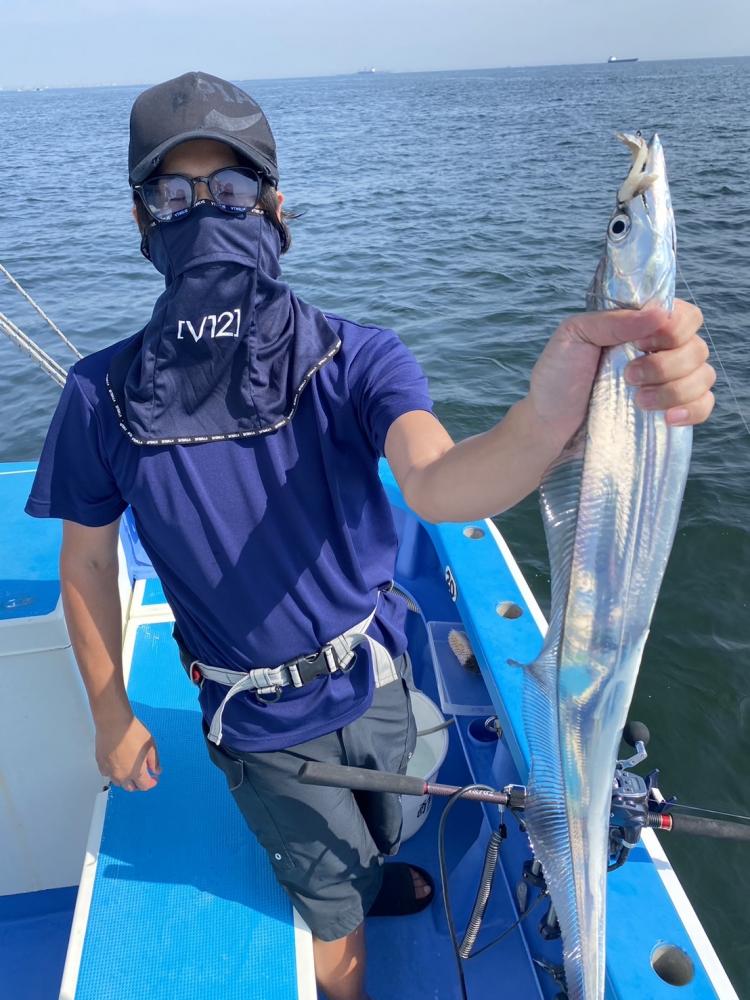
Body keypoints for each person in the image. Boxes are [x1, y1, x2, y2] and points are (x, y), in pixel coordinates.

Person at [24, 71, 715, 1000]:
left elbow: (438, 480)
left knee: (390, 826)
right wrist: (111, 715)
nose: (204, 211)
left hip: (377, 673)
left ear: (272, 205)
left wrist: (547, 421)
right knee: (334, 919)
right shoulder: (99, 396)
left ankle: (363, 875)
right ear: (143, 217)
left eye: (229, 187)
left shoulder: (355, 357)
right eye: (174, 194)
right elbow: (86, 559)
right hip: (261, 722)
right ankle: (342, 916)